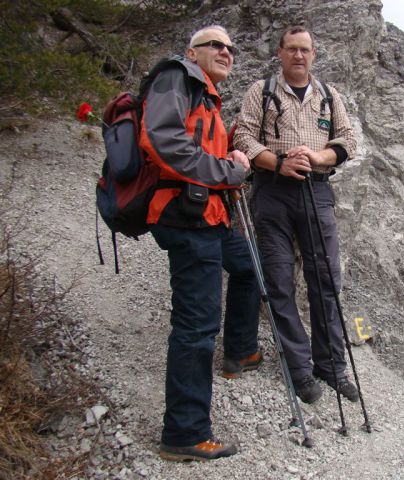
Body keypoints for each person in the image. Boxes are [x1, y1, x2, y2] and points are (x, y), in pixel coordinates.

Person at [138, 25, 260, 461]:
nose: (226, 51)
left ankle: (241, 351)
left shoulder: (206, 94)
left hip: (211, 217)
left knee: (248, 270)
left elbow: (204, 151)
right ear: (193, 51)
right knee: (196, 326)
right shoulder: (177, 77)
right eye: (216, 45)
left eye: (231, 46)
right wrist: (230, 172)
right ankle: (184, 433)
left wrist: (232, 162)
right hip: (188, 220)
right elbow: (162, 139)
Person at [233, 26, 358, 404]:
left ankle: (332, 366)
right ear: (280, 52)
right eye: (292, 49)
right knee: (279, 279)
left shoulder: (329, 96)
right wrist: (278, 163)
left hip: (317, 191)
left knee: (325, 279)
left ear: (314, 54)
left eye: (305, 50)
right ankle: (300, 368)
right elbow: (243, 138)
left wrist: (319, 157)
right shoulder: (261, 91)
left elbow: (349, 141)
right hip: (272, 192)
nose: (298, 56)